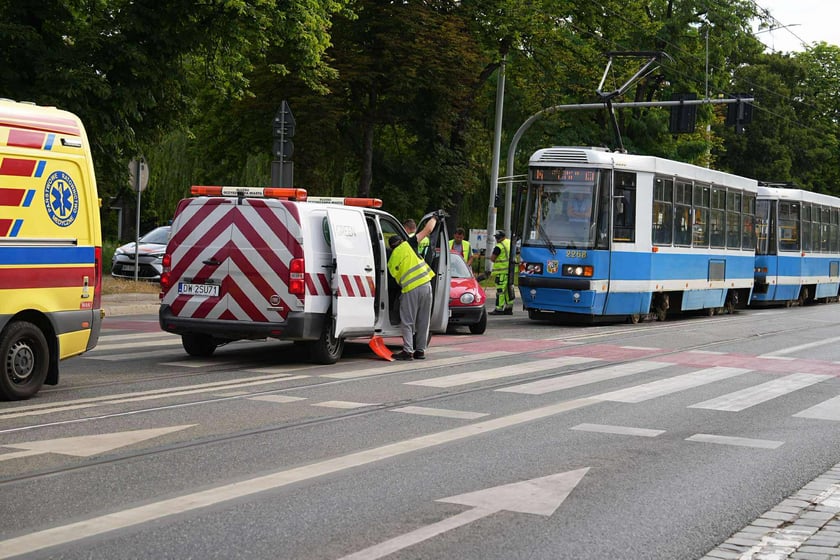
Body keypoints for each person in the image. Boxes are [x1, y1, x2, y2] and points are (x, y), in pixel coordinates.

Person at [388, 216, 437, 360]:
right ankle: (420, 350)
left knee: (408, 321)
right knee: (423, 320)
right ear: (401, 241)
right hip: (426, 285)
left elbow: (393, 283)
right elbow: (428, 229)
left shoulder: (391, 260)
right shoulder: (409, 244)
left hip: (410, 289)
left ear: (391, 247)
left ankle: (408, 351)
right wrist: (434, 217)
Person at [489, 229, 513, 315]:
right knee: (508, 290)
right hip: (511, 271)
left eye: (497, 238)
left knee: (500, 291)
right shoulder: (510, 243)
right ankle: (509, 308)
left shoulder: (499, 246)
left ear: (502, 237)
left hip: (501, 272)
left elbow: (492, 258)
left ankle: (499, 308)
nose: (496, 239)